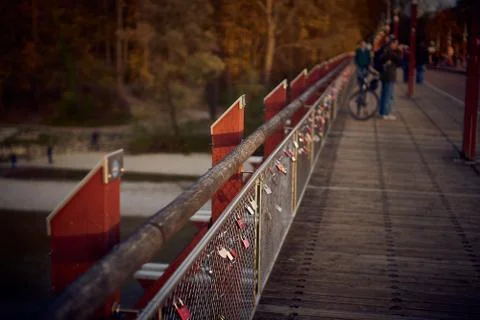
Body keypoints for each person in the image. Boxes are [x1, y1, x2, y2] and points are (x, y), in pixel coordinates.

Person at [379, 37, 402, 120]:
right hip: (389, 75)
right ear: (392, 43)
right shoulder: (391, 52)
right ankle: (386, 113)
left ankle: (383, 112)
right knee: (388, 95)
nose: (397, 45)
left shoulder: (386, 50)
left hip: (385, 75)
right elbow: (399, 61)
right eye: (396, 44)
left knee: (384, 94)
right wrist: (399, 51)